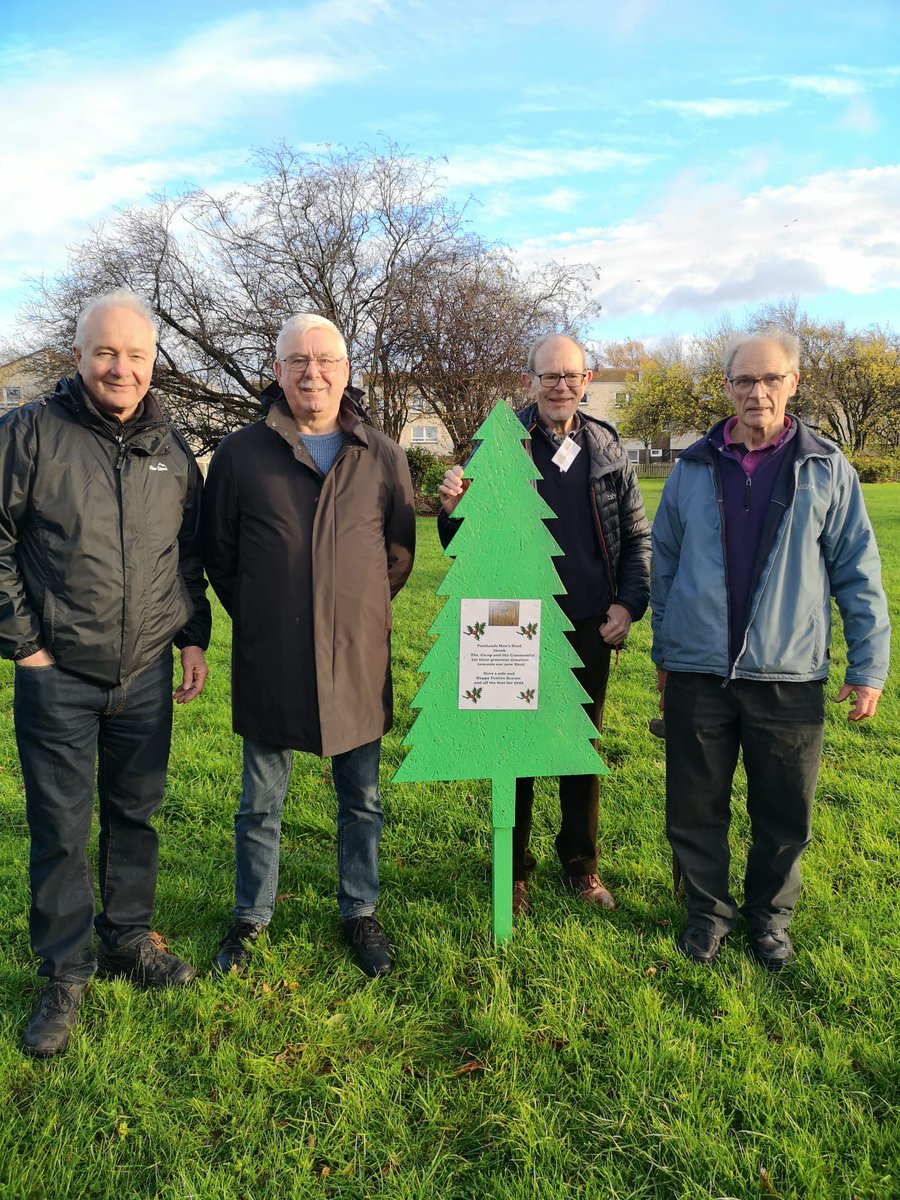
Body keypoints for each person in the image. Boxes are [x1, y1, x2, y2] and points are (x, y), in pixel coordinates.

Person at [0, 291, 211, 1057]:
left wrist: (191, 637)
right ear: (78, 354)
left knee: (137, 815)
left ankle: (127, 938)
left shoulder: (172, 446)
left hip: (147, 672)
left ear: (153, 362)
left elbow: (186, 556)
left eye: (136, 355)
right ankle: (64, 971)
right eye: (105, 352)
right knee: (59, 829)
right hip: (58, 674)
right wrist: (25, 643)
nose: (120, 367)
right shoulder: (27, 435)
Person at [651, 329, 890, 969]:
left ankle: (768, 918)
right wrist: (665, 657)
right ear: (726, 388)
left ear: (793, 384)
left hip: (789, 674)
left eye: (770, 379)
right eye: (744, 381)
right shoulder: (692, 467)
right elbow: (665, 568)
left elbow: (858, 573)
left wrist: (868, 667)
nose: (757, 392)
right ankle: (707, 913)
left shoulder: (826, 469)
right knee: (695, 807)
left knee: (785, 813)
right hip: (699, 671)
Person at [203, 314, 415, 978]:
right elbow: (220, 554)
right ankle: (251, 915)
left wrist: (351, 613)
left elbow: (399, 554)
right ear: (277, 372)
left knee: (362, 799)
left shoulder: (381, 454)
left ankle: (360, 909)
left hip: (356, 655)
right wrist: (272, 616)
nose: (312, 372)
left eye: (325, 360)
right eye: (297, 361)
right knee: (260, 801)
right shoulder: (240, 455)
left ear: (346, 371)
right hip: (273, 656)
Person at [438, 334, 651, 918]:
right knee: (518, 752)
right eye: (548, 376)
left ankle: (582, 867)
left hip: (588, 621)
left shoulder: (607, 445)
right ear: (529, 381)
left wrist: (628, 604)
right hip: (515, 625)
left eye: (571, 375)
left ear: (587, 380)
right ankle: (514, 871)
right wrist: (454, 513)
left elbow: (636, 537)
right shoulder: (504, 443)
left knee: (579, 750)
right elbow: (463, 545)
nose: (560, 386)